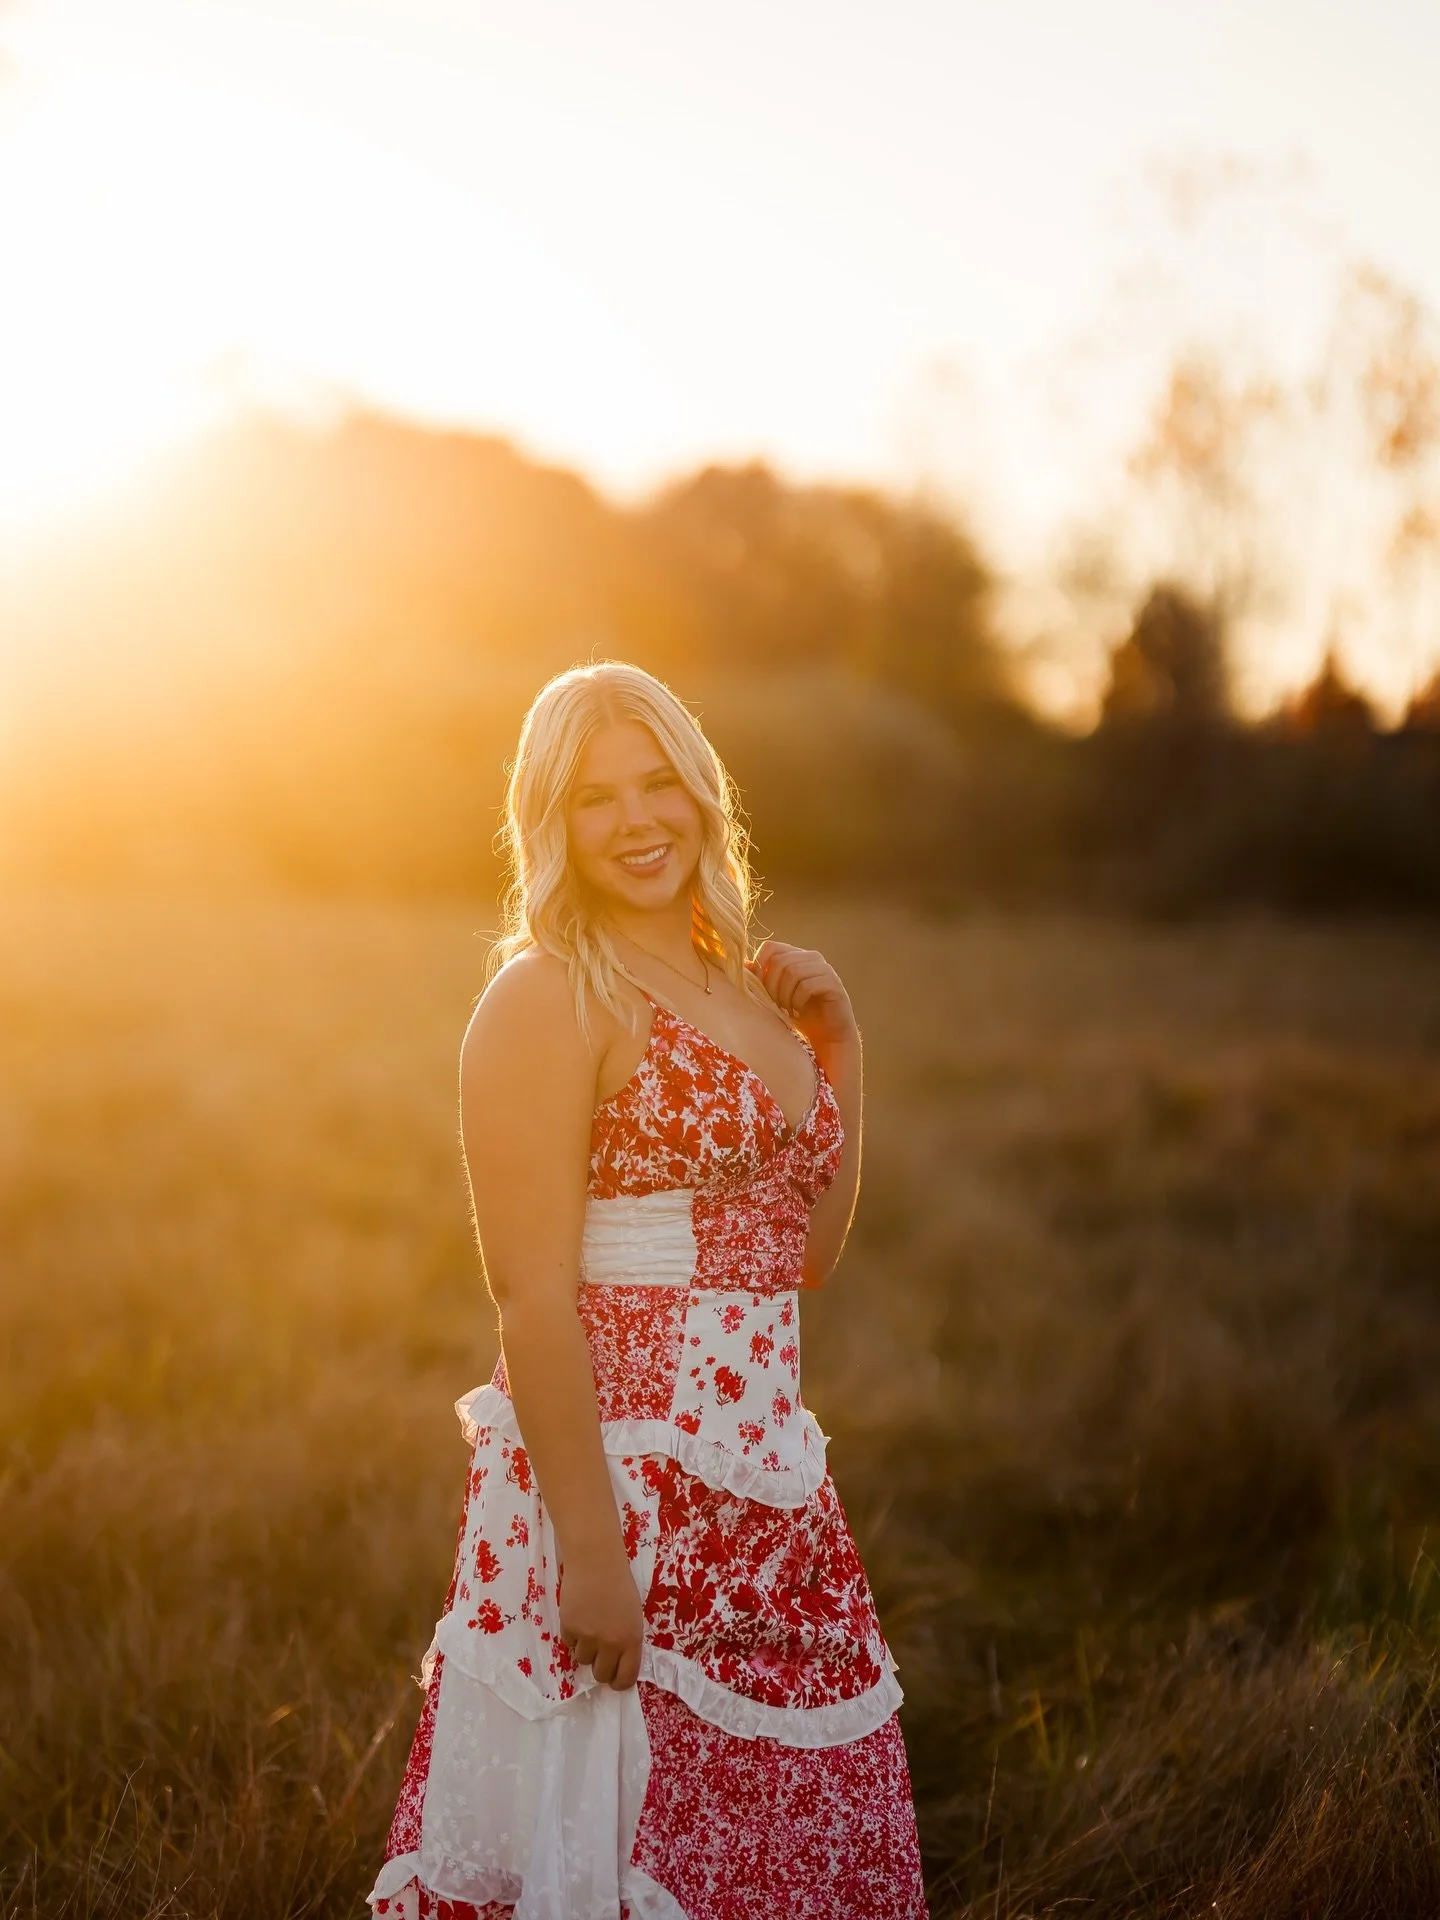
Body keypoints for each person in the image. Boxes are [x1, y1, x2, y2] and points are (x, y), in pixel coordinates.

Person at [368, 661, 926, 1920]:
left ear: (702, 791)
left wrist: (842, 1052)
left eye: (658, 781)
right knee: (620, 1842)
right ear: (549, 826)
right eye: (594, 798)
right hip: (620, 1486)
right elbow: (531, 1295)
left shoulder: (751, 988)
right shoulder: (544, 998)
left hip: (770, 1485)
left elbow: (806, 1255)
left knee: (804, 1831)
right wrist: (589, 1553)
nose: (637, 820)